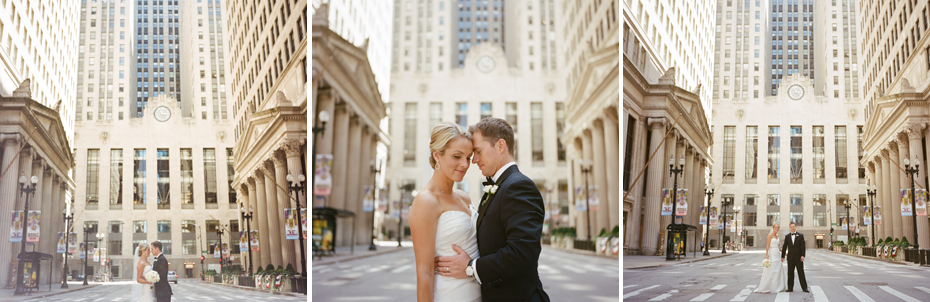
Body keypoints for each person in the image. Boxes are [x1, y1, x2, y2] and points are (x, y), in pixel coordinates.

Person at [436, 117, 550, 301]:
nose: (474, 160)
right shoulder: (500, 186)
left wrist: (470, 267)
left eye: (478, 151)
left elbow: (522, 252)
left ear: (500, 146)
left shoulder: (519, 186)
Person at [409, 122, 481, 301]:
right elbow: (424, 272)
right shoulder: (426, 200)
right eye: (457, 156)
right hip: (451, 295)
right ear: (437, 155)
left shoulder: (464, 197)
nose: (464, 164)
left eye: (468, 157)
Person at [754, 224, 787, 293]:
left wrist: (783, 253)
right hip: (772, 253)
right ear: (773, 228)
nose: (777, 228)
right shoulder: (769, 235)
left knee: (778, 269)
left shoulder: (778, 235)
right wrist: (767, 255)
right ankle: (769, 287)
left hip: (777, 253)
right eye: (775, 227)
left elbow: (778, 246)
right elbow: (767, 245)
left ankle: (777, 286)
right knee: (771, 269)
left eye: (778, 227)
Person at [781, 221, 808, 292]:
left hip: (799, 258)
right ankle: (790, 288)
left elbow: (803, 246)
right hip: (790, 258)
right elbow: (784, 246)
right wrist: (783, 256)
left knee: (801, 273)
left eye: (793, 227)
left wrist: (803, 255)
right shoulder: (787, 236)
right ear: (789, 228)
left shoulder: (800, 235)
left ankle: (804, 288)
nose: (792, 228)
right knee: (790, 273)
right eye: (791, 227)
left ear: (795, 227)